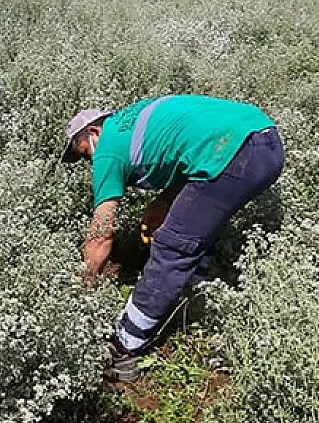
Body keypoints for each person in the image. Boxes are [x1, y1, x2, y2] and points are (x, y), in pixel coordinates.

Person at [61, 95, 285, 382]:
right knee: (196, 222)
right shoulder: (129, 121)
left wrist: (85, 283)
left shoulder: (106, 149)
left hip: (231, 155)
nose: (88, 162)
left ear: (94, 132)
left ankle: (124, 348)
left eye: (83, 154)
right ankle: (197, 293)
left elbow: (100, 234)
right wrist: (163, 203)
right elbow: (186, 154)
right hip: (265, 142)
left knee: (172, 246)